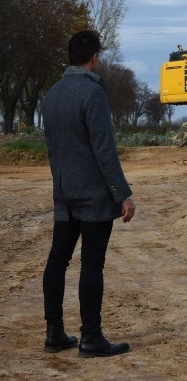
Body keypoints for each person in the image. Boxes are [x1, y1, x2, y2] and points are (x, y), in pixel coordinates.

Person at [42, 30, 135, 357]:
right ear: (94, 56)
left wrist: (61, 187)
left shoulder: (51, 95)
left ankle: (54, 334)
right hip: (94, 196)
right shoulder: (92, 93)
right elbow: (104, 149)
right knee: (92, 264)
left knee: (57, 260)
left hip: (64, 194)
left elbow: (52, 149)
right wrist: (123, 193)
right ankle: (91, 338)